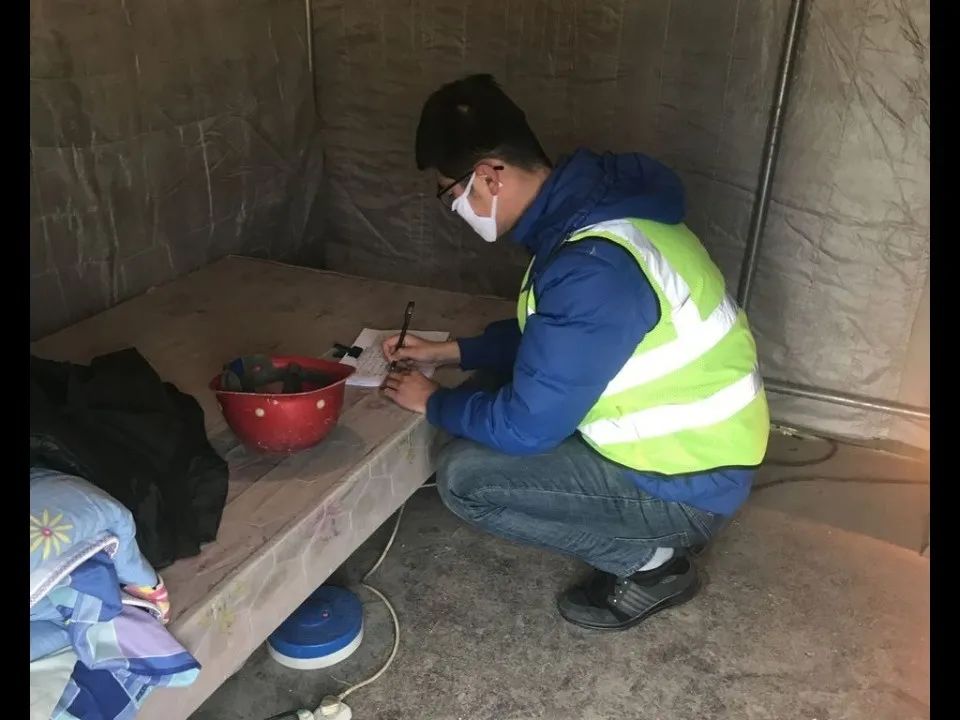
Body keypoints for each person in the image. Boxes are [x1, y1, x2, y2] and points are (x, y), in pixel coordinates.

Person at [380, 74, 769, 631]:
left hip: (687, 486)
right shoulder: (599, 214)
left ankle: (652, 565)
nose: (456, 210)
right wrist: (450, 351)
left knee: (466, 478)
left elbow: (525, 429)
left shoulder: (592, 264)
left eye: (452, 195)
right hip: (697, 454)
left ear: (489, 175)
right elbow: (557, 336)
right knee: (491, 398)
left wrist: (431, 401)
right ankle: (650, 540)